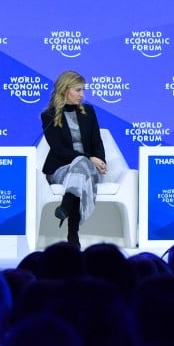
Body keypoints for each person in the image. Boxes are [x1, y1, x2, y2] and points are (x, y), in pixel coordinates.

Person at [41, 70, 107, 249]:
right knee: (82, 165)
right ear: (64, 90)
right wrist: (89, 158)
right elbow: (59, 150)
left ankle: (66, 205)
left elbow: (97, 141)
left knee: (81, 170)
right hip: (61, 168)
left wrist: (100, 160)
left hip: (86, 170)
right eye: (78, 90)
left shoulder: (89, 112)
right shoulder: (49, 116)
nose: (82, 95)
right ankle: (73, 233)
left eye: (83, 90)